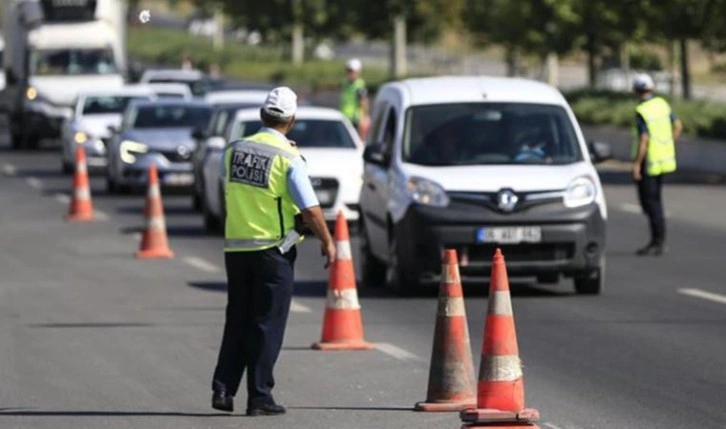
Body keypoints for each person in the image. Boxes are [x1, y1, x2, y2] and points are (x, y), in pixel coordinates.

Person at [211, 87, 336, 416]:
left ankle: (223, 389)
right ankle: (259, 396)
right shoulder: (288, 158)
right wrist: (328, 241)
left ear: (262, 116)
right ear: (291, 121)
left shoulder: (233, 151)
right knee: (267, 324)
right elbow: (309, 209)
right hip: (272, 251)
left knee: (237, 318)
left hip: (236, 248)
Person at [631, 73, 682, 256]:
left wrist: (637, 164)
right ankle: (658, 240)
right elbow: (678, 125)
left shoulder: (642, 111)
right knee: (656, 201)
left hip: (650, 162)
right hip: (664, 160)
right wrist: (668, 143)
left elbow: (643, 139)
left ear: (636, 91)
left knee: (650, 203)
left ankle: (657, 241)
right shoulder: (661, 104)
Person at [340, 58, 371, 139]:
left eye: (352, 71)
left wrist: (365, 117)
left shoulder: (359, 85)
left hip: (355, 119)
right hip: (344, 116)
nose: (351, 73)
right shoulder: (345, 83)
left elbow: (363, 101)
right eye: (349, 71)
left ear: (358, 72)